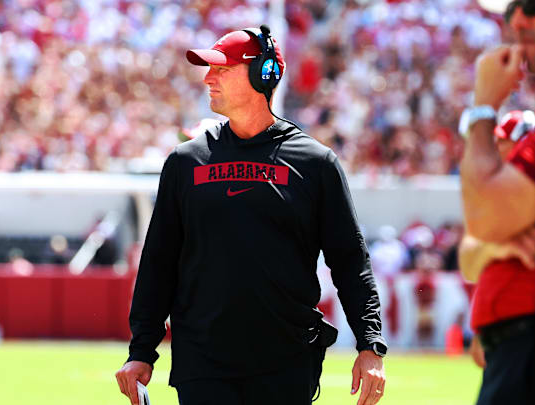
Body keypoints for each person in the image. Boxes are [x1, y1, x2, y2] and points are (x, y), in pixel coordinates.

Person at [115, 26, 387, 405]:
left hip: (286, 364)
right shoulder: (183, 162)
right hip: (203, 365)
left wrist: (370, 345)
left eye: (222, 69)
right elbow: (159, 262)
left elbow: (349, 262)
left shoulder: (316, 163)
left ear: (265, 74)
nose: (208, 78)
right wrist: (141, 350)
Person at [459, 1, 535, 403]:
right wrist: (497, 244)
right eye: (511, 13)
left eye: (533, 5)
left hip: (532, 337)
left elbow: (485, 216)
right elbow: (472, 250)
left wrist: (483, 107)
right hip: (515, 335)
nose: (518, 21)